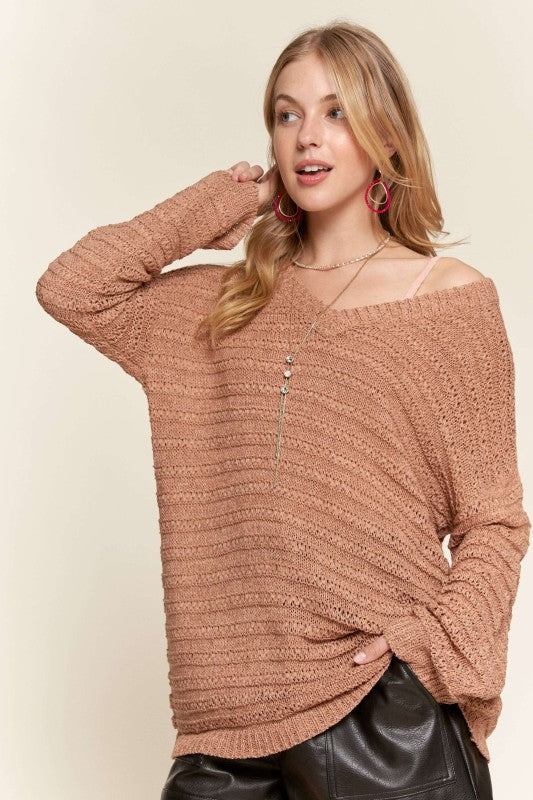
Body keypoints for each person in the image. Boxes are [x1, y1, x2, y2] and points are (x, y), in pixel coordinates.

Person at [35, 19, 529, 800]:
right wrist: (227, 199)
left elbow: (494, 520)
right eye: (286, 114)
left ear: (386, 135)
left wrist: (430, 648)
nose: (307, 137)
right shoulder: (218, 305)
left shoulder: (446, 301)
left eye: (336, 112)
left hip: (381, 714)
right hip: (220, 735)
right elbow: (73, 287)